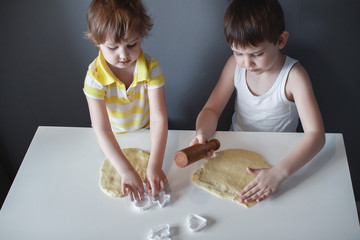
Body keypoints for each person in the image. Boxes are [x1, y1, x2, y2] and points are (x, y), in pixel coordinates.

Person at [191, 0, 325, 204]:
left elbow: (316, 136)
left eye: (257, 54)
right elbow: (212, 109)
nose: (247, 63)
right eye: (238, 53)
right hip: (237, 148)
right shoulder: (234, 67)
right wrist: (202, 133)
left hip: (280, 159)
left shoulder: (294, 76)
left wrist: (279, 172)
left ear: (280, 40)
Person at [83, 0, 168, 202]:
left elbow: (159, 119)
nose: (124, 55)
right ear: (96, 41)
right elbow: (101, 129)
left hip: (147, 135)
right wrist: (125, 170)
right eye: (112, 47)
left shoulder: (151, 68)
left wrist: (155, 164)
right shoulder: (94, 77)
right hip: (113, 142)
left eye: (132, 44)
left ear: (141, 37)